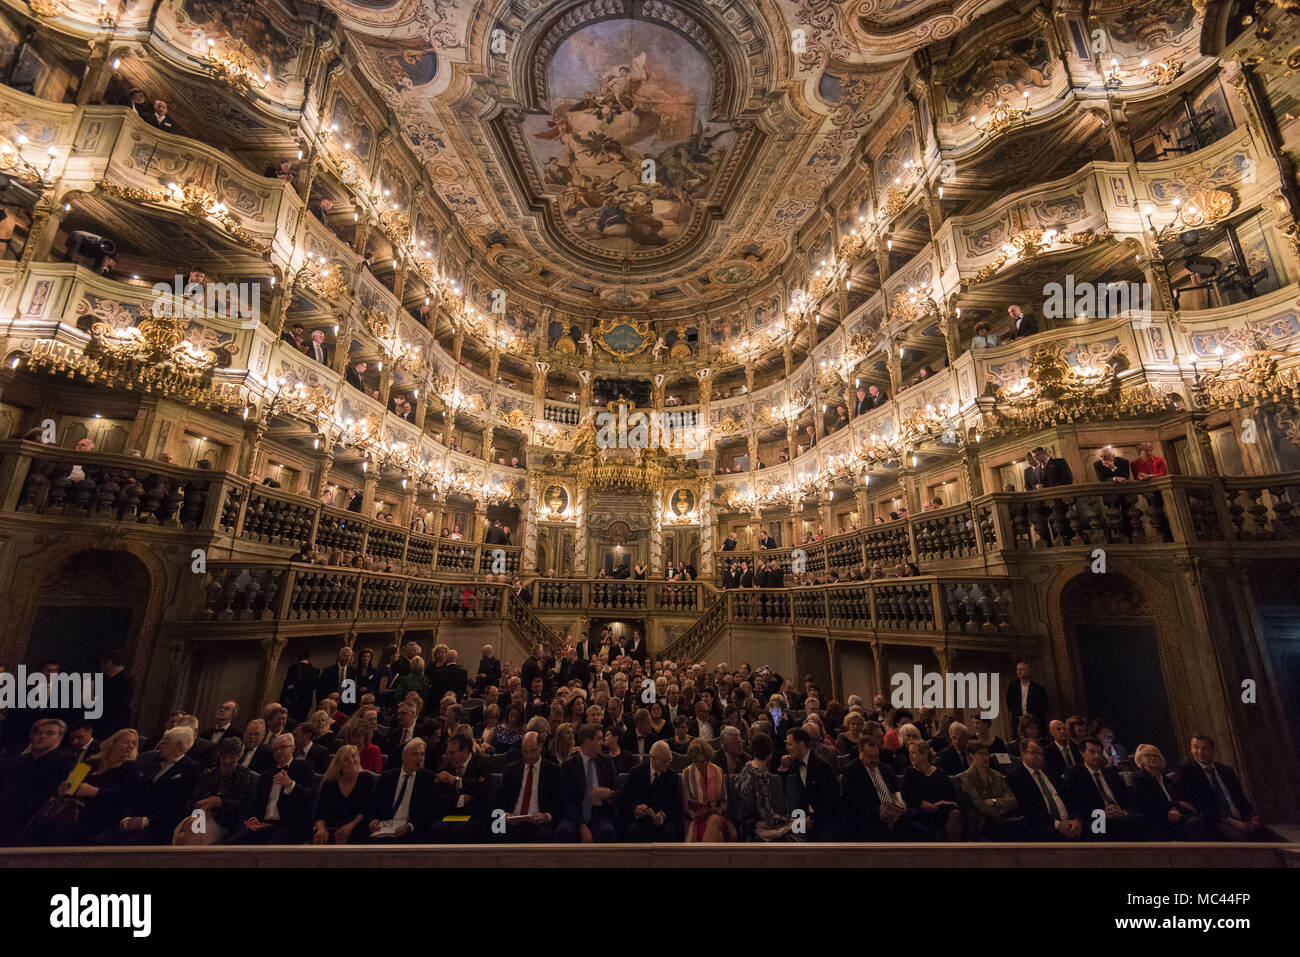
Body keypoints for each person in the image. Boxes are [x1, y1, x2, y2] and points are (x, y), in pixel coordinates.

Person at [95, 727, 201, 845]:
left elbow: (178, 805)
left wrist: (145, 821)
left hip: (155, 823)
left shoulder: (191, 769)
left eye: (133, 743)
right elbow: (136, 795)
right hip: (128, 817)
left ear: (180, 746)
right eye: (125, 742)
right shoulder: (92, 762)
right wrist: (128, 817)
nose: (159, 745)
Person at [226, 733, 315, 844]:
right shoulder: (266, 775)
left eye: (282, 747)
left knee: (269, 848)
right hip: (264, 825)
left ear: (292, 748)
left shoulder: (304, 767)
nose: (278, 751)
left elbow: (309, 797)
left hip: (289, 825)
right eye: (275, 749)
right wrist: (254, 819)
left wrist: (290, 784)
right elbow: (257, 804)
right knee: (230, 844)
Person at [1174, 732, 1265, 841]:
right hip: (1215, 820)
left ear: (1212, 750)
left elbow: (1240, 798)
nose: (1200, 752)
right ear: (1191, 749)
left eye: (1204, 748)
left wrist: (1252, 816)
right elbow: (1196, 803)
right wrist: (1231, 821)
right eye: (1196, 748)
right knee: (1241, 840)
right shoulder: (1186, 770)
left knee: (1273, 839)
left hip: (1241, 817)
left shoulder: (1226, 771)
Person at [494, 731, 577, 842]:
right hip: (514, 821)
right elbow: (500, 799)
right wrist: (505, 815)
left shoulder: (554, 771)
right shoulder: (511, 770)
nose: (529, 756)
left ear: (540, 747)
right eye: (525, 752)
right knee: (496, 830)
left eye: (532, 751)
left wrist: (546, 816)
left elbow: (560, 802)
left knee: (545, 834)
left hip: (540, 823)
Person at [1063, 736, 1149, 840]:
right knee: (1106, 826)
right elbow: (1075, 803)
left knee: (1142, 819)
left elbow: (1129, 800)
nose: (1097, 756)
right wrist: (1102, 813)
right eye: (1092, 752)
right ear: (1082, 753)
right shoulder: (1076, 774)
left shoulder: (1112, 774)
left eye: (1099, 752)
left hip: (1120, 814)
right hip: (1095, 817)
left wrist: (1123, 812)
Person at [174, 736, 254, 845]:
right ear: (219, 755)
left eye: (232, 758)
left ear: (239, 757)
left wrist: (219, 802)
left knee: (190, 834)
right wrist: (201, 805)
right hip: (198, 815)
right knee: (183, 835)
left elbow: (241, 804)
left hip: (221, 822)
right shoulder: (209, 773)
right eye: (224, 756)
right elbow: (191, 801)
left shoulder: (243, 774)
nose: (227, 761)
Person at [1005, 740, 1082, 841]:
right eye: (1034, 753)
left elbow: (1069, 797)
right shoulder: (1015, 776)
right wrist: (1058, 825)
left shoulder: (1050, 772)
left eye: (1041, 753)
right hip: (1044, 824)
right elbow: (1027, 808)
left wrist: (1077, 819)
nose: (1039, 757)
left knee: (1096, 829)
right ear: (1023, 754)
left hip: (1070, 821)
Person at [1132, 743, 1210, 841]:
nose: (1153, 758)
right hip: (1157, 816)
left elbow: (1176, 797)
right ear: (1140, 759)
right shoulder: (1139, 778)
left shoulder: (1166, 778)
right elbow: (1149, 803)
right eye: (1148, 755)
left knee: (1203, 820)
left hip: (1176, 812)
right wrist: (1177, 805)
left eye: (1155, 755)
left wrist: (1175, 807)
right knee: (1195, 824)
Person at [366, 738, 435, 843]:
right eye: (415, 754)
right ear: (404, 756)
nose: (420, 759)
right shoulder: (388, 776)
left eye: (422, 754)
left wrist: (410, 827)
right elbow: (374, 803)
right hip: (385, 827)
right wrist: (373, 819)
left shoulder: (427, 778)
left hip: (411, 830)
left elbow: (428, 811)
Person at [957, 740, 1027, 840]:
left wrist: (994, 801)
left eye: (986, 753)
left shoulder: (997, 775)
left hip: (1004, 817)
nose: (986, 757)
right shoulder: (967, 777)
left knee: (1026, 830)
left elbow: (1013, 801)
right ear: (972, 756)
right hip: (982, 820)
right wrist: (1002, 805)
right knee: (1009, 835)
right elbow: (979, 805)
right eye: (981, 754)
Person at [619, 740, 683, 841]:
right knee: (633, 831)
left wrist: (664, 814)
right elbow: (624, 801)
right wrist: (635, 809)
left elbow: (677, 806)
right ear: (653, 759)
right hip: (640, 821)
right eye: (664, 761)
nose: (668, 764)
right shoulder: (636, 773)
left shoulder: (672, 777)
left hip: (663, 822)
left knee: (670, 832)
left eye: (669, 760)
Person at [901, 741, 964, 840]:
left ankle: (952, 851)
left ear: (925, 754)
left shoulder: (941, 773)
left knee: (955, 813)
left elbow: (953, 798)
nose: (910, 756)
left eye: (913, 753)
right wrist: (934, 805)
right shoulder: (909, 773)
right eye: (909, 753)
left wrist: (941, 804)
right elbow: (910, 798)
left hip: (943, 811)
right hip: (921, 813)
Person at [313, 745, 374, 845]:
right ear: (340, 764)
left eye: (354, 756)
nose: (351, 761)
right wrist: (321, 829)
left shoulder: (365, 779)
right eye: (346, 759)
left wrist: (349, 827)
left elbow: (364, 810)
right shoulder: (330, 783)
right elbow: (320, 812)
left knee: (342, 840)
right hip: (331, 825)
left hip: (356, 825)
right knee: (319, 839)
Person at [680, 738, 734, 842]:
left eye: (705, 761)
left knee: (713, 820)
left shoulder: (718, 770)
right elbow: (687, 804)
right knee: (718, 835)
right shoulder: (686, 773)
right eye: (698, 762)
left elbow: (724, 800)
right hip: (697, 817)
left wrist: (718, 809)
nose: (702, 765)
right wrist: (700, 813)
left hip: (717, 814)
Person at [1005, 660, 1048, 730]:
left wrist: (1032, 715)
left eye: (1021, 670)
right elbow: (1010, 702)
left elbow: (1043, 705)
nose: (1018, 672)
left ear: (1028, 671)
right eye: (1017, 670)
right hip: (1018, 721)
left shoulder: (1038, 688)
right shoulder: (1013, 686)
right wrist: (1018, 715)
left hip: (1034, 721)